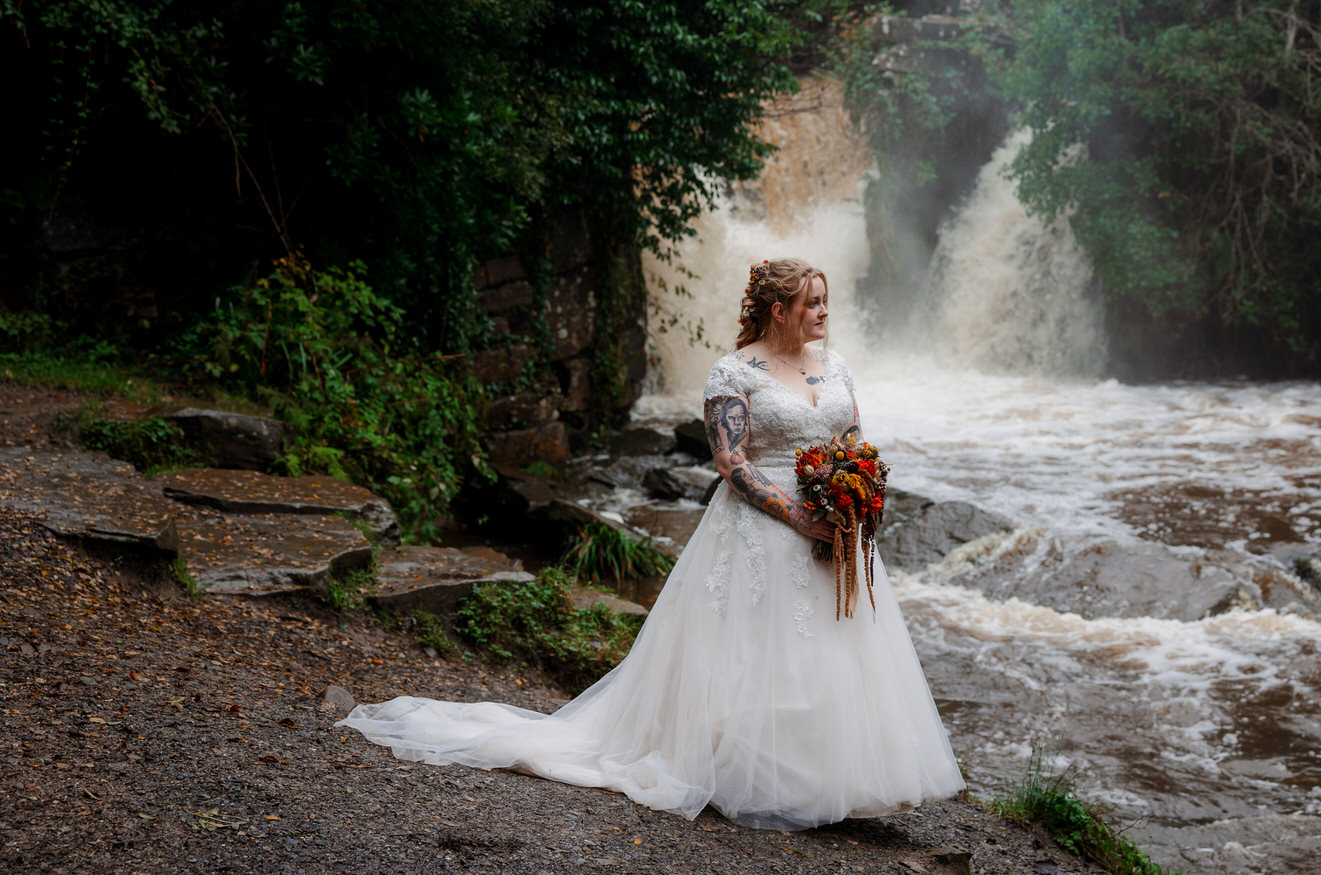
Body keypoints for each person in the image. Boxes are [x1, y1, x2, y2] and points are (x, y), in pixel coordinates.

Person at [338, 257, 964, 829]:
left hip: (836, 525)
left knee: (837, 647)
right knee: (757, 651)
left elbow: (854, 437)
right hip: (761, 528)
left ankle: (843, 778)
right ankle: (759, 775)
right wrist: (799, 518)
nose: (826, 313)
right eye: (814, 304)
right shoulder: (734, 371)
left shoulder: (837, 366)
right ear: (780, 312)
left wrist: (855, 495)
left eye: (826, 302)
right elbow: (731, 461)